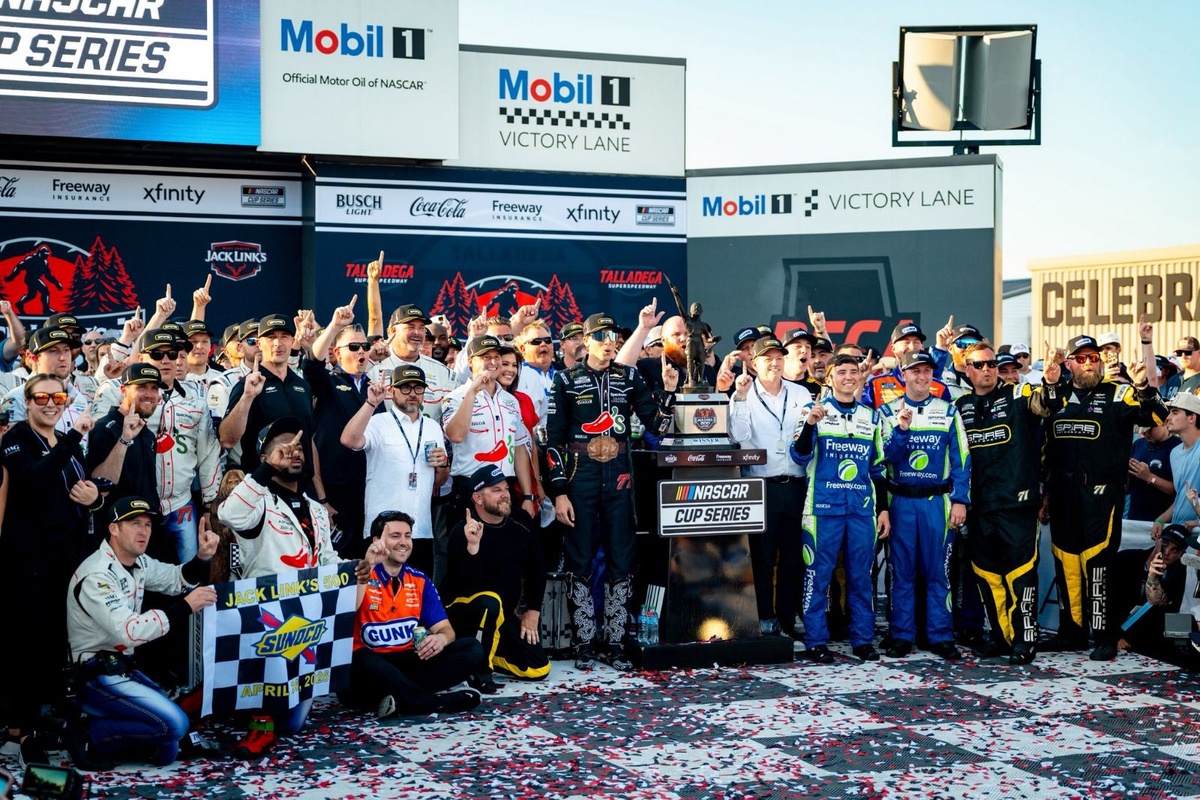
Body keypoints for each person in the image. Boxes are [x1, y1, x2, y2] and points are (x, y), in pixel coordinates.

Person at [546, 312, 676, 670]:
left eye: (613, 336)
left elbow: (658, 425)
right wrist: (559, 492)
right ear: (586, 340)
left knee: (622, 557)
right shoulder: (566, 379)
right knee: (579, 558)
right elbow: (553, 440)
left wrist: (668, 392)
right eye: (601, 336)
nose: (609, 342)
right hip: (580, 476)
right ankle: (584, 642)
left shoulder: (629, 376)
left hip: (619, 475)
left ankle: (615, 642)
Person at [216, 416, 348, 756]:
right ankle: (243, 713)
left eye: (299, 447)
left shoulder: (316, 508)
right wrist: (263, 472)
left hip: (306, 618)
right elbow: (229, 515)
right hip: (263, 620)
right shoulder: (257, 501)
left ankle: (248, 705)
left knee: (292, 724)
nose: (294, 453)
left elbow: (326, 558)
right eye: (284, 448)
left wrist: (354, 568)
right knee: (273, 714)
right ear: (266, 457)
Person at [66, 497, 219, 767]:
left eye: (148, 525)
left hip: (123, 668)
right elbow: (130, 632)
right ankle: (87, 732)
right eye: (135, 523)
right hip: (94, 676)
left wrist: (203, 558)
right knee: (175, 725)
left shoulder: (139, 562)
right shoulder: (97, 575)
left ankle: (108, 726)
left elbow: (176, 579)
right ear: (114, 529)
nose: (144, 531)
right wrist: (185, 606)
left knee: (167, 752)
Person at [1042, 333, 1167, 661]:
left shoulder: (1119, 393)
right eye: (1081, 358)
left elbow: (1156, 418)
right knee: (1066, 561)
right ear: (1069, 363)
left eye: (1094, 358)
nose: (1088, 363)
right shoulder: (1055, 395)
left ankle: (1104, 636)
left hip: (1102, 493)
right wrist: (1044, 492)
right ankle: (1070, 632)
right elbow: (1041, 446)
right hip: (1062, 493)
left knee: (1098, 563)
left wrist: (1143, 387)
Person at [0, 374, 101, 752]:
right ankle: (19, 727)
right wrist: (73, 437)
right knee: (27, 643)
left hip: (66, 557)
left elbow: (83, 489)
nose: (50, 404)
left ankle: (46, 715)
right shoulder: (17, 440)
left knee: (56, 642)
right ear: (27, 402)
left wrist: (95, 499)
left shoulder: (64, 441)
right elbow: (33, 481)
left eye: (57, 397)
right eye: (41, 397)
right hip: (28, 561)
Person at [956, 341, 1057, 664]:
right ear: (968, 370)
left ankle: (1025, 639)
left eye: (992, 364)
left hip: (1017, 504)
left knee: (1021, 574)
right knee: (987, 576)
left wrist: (1051, 382)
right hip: (979, 507)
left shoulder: (1019, 394)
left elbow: (1045, 405)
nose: (987, 370)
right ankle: (1001, 637)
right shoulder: (961, 405)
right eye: (979, 365)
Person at [790, 353, 890, 664]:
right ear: (830, 378)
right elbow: (798, 455)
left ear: (860, 377)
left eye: (853, 372)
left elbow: (878, 469)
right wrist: (810, 424)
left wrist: (883, 510)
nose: (848, 377)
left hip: (861, 510)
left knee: (861, 578)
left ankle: (862, 640)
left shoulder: (871, 417)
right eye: (842, 372)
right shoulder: (814, 410)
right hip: (822, 510)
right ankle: (816, 640)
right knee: (818, 577)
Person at [342, 510, 483, 718]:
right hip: (367, 669)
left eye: (407, 536)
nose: (404, 542)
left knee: (471, 648)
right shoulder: (359, 571)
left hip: (407, 662)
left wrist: (440, 639)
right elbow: (346, 612)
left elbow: (446, 630)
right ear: (376, 540)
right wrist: (369, 564)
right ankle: (433, 702)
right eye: (395, 536)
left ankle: (400, 698)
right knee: (362, 658)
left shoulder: (419, 580)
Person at [877, 351, 971, 660]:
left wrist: (960, 500)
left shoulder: (948, 411)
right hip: (901, 501)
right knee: (901, 573)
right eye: (915, 371)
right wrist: (902, 430)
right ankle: (901, 635)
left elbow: (962, 460)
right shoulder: (887, 412)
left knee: (939, 572)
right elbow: (884, 459)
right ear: (903, 374)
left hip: (937, 503)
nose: (921, 376)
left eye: (927, 370)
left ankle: (940, 635)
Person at [728, 338, 811, 637]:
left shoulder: (800, 393)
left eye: (779, 358)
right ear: (754, 363)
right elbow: (738, 436)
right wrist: (739, 397)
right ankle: (764, 617)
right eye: (767, 358)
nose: (775, 363)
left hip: (797, 485)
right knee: (762, 559)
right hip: (761, 486)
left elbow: (808, 435)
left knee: (793, 558)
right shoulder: (743, 393)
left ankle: (787, 619)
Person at [442, 465, 550, 688]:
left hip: (501, 615)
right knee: (490, 602)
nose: (505, 495)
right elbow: (464, 585)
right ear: (478, 498)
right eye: (496, 490)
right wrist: (473, 547)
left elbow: (537, 568)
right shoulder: (463, 530)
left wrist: (532, 611)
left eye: (506, 488)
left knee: (538, 667)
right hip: (465, 612)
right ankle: (480, 670)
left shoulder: (521, 521)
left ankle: (483, 654)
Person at [340, 366, 449, 575]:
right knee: (379, 590)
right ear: (392, 391)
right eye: (405, 388)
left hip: (420, 530)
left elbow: (439, 480)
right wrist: (371, 403)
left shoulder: (433, 427)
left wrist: (443, 465)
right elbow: (348, 440)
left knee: (417, 592)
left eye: (418, 388)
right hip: (383, 530)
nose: (412, 394)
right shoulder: (378, 422)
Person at [308, 299, 375, 557]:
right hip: (333, 492)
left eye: (365, 347)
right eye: (354, 347)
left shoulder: (375, 388)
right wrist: (335, 326)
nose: (361, 352)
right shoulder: (327, 383)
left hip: (368, 491)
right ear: (336, 353)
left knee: (367, 562)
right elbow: (312, 364)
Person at [444, 335, 536, 520]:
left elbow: (519, 448)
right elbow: (456, 435)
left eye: (497, 357)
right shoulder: (455, 397)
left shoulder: (510, 400)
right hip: (470, 486)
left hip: (505, 487)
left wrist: (527, 496)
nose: (493, 362)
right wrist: (472, 392)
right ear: (471, 361)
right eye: (486, 357)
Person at [1112, 524, 1189, 663]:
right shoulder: (1126, 559)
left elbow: (1173, 612)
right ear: (1157, 539)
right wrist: (1114, 636)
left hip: (1150, 637)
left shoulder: (1180, 574)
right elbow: (1104, 600)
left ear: (1181, 554)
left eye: (1175, 549)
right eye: (1165, 544)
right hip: (1117, 631)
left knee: (1184, 625)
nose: (1167, 552)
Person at [371, 304, 456, 418]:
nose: (417, 332)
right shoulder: (372, 368)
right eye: (410, 327)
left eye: (421, 328)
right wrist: (370, 359)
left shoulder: (443, 373)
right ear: (392, 331)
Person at [863, 323, 949, 408]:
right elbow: (861, 412)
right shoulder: (876, 384)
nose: (912, 347)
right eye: (906, 342)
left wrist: (940, 348)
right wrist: (859, 383)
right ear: (893, 348)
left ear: (922, 347)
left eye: (916, 342)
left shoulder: (940, 387)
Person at [1127, 422, 1180, 522]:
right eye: (1143, 431)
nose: (1146, 434)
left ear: (1162, 423)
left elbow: (1178, 490)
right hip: (1134, 517)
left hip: (1161, 519)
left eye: (1149, 430)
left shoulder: (1177, 448)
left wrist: (1150, 477)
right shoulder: (1138, 444)